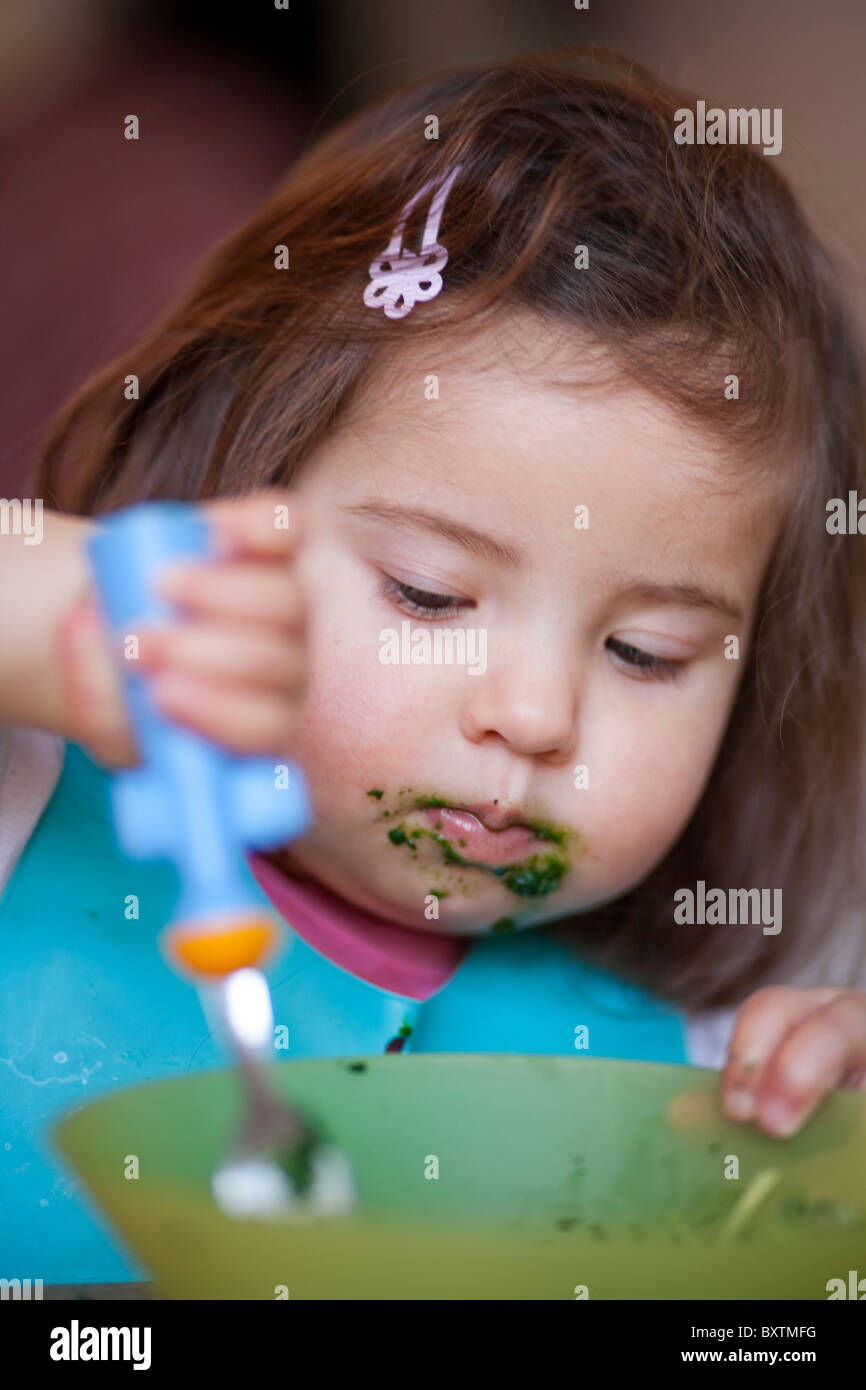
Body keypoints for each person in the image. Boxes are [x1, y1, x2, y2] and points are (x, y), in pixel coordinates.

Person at [2, 44, 865, 1285]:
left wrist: (811, 1161)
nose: (532, 714)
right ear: (230, 511)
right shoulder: (30, 800)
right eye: (428, 591)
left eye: (644, 651)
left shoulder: (698, 1069)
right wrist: (43, 609)